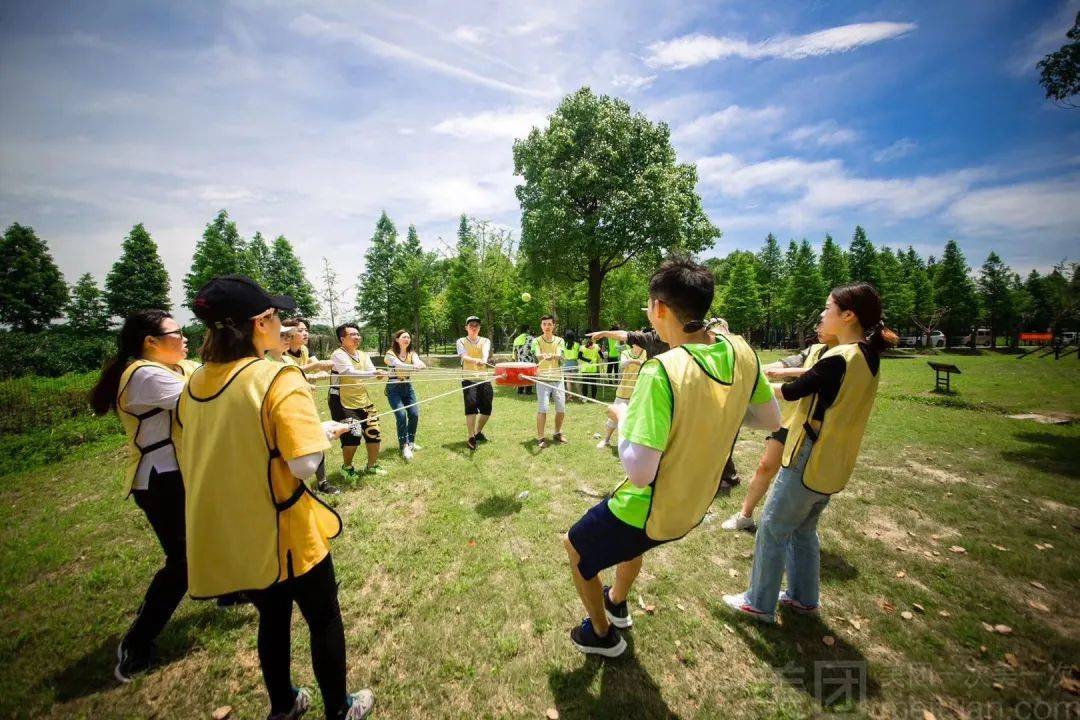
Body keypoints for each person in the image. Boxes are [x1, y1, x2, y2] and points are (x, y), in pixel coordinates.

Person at [177, 275, 373, 720]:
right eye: (276, 316)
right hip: (283, 527)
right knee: (322, 618)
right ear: (260, 323)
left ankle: (283, 705)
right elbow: (304, 464)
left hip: (235, 530)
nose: (282, 324)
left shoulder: (194, 383)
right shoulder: (276, 376)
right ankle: (339, 709)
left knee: (272, 615)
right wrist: (321, 435)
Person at [562, 259, 780, 657]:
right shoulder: (741, 350)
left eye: (648, 304)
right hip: (694, 505)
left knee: (576, 546)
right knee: (630, 542)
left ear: (659, 308)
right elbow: (769, 417)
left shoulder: (661, 371)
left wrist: (623, 417)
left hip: (656, 508)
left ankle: (601, 634)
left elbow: (640, 472)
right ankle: (617, 603)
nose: (648, 312)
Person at [723, 282, 896, 624]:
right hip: (833, 464)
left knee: (773, 527)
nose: (822, 313)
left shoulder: (839, 358)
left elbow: (788, 392)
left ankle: (758, 602)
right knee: (803, 530)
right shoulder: (866, 356)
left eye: (828, 308)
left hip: (807, 458)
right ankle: (804, 598)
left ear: (848, 316)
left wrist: (738, 386)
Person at [89, 310, 199, 682]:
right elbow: (208, 397)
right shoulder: (143, 375)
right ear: (150, 342)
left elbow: (208, 375)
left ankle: (229, 591)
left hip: (182, 473)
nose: (185, 338)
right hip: (161, 480)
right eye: (177, 332)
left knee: (212, 536)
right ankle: (136, 644)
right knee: (182, 562)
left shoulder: (174, 367)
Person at [721, 329, 836, 532]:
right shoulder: (814, 351)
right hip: (793, 420)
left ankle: (796, 528)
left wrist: (752, 383)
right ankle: (745, 516)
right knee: (766, 466)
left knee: (800, 480)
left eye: (828, 312)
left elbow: (808, 380)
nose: (819, 325)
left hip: (819, 428)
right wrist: (752, 368)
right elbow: (782, 364)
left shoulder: (846, 355)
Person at [271, 325, 341, 496]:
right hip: (284, 412)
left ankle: (321, 482)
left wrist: (309, 381)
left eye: (289, 335)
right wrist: (315, 368)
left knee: (316, 440)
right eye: (283, 336)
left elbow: (295, 376)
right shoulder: (267, 362)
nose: (287, 338)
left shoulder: (287, 360)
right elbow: (286, 376)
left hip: (303, 406)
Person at [328, 324, 387, 480]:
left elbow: (370, 370)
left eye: (358, 334)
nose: (357, 337)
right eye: (352, 335)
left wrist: (377, 373)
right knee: (352, 435)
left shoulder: (362, 354)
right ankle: (347, 467)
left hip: (363, 400)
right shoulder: (338, 354)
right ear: (342, 339)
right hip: (341, 402)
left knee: (374, 432)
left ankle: (372, 466)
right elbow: (349, 372)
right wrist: (374, 373)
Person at [383, 329, 426, 462]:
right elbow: (399, 365)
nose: (407, 339)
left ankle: (411, 442)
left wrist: (420, 364)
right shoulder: (390, 354)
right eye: (403, 337)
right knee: (401, 415)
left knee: (414, 414)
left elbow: (418, 362)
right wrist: (414, 367)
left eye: (408, 337)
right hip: (394, 388)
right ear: (397, 339)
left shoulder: (412, 353)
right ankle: (404, 446)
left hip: (408, 386)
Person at [597, 340, 646, 449]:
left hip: (639, 390)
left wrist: (635, 362)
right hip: (624, 390)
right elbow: (622, 364)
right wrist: (635, 361)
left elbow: (647, 364)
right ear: (633, 343)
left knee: (636, 418)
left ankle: (632, 444)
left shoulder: (646, 353)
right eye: (637, 341)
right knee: (614, 416)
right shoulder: (626, 352)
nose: (639, 343)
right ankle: (606, 440)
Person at [456, 316, 493, 451]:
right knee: (471, 407)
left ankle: (477, 432)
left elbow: (485, 352)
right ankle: (470, 437)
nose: (473, 327)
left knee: (487, 409)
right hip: (468, 378)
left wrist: (483, 359)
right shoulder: (460, 341)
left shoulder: (485, 340)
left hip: (483, 378)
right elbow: (463, 356)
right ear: (466, 327)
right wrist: (475, 360)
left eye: (476, 325)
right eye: (471, 325)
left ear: (479, 328)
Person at [531, 315, 567, 448]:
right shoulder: (536, 341)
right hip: (542, 379)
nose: (547, 326)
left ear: (553, 326)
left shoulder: (559, 340)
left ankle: (557, 433)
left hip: (557, 379)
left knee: (561, 409)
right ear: (541, 326)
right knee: (543, 409)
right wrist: (543, 355)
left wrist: (552, 356)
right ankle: (541, 438)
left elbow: (559, 354)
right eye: (544, 324)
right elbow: (537, 353)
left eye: (549, 324)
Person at [512, 325, 535, 396]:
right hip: (529, 361)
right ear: (527, 330)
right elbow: (534, 351)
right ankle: (528, 391)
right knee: (529, 376)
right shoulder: (532, 339)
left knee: (520, 375)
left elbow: (515, 351)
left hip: (520, 361)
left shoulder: (516, 339)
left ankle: (520, 391)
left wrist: (515, 360)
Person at [562, 330, 580, 400]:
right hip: (574, 362)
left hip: (566, 363)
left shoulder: (564, 345)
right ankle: (580, 396)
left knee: (568, 381)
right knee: (576, 380)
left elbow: (562, 354)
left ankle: (570, 396)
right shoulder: (577, 344)